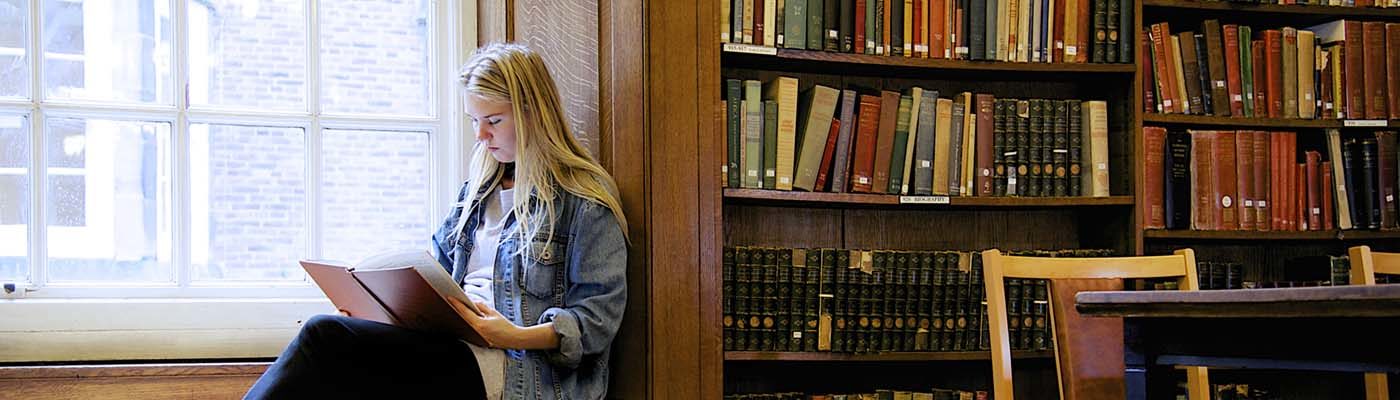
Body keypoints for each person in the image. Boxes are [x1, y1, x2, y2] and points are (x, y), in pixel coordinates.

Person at [244, 43, 629, 400]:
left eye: (493, 120)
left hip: (518, 366)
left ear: (532, 112)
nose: (480, 135)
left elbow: (597, 320)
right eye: (474, 120)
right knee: (337, 350)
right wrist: (378, 309)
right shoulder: (473, 196)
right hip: (455, 347)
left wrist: (515, 334)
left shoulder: (584, 202)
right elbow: (435, 281)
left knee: (322, 338)